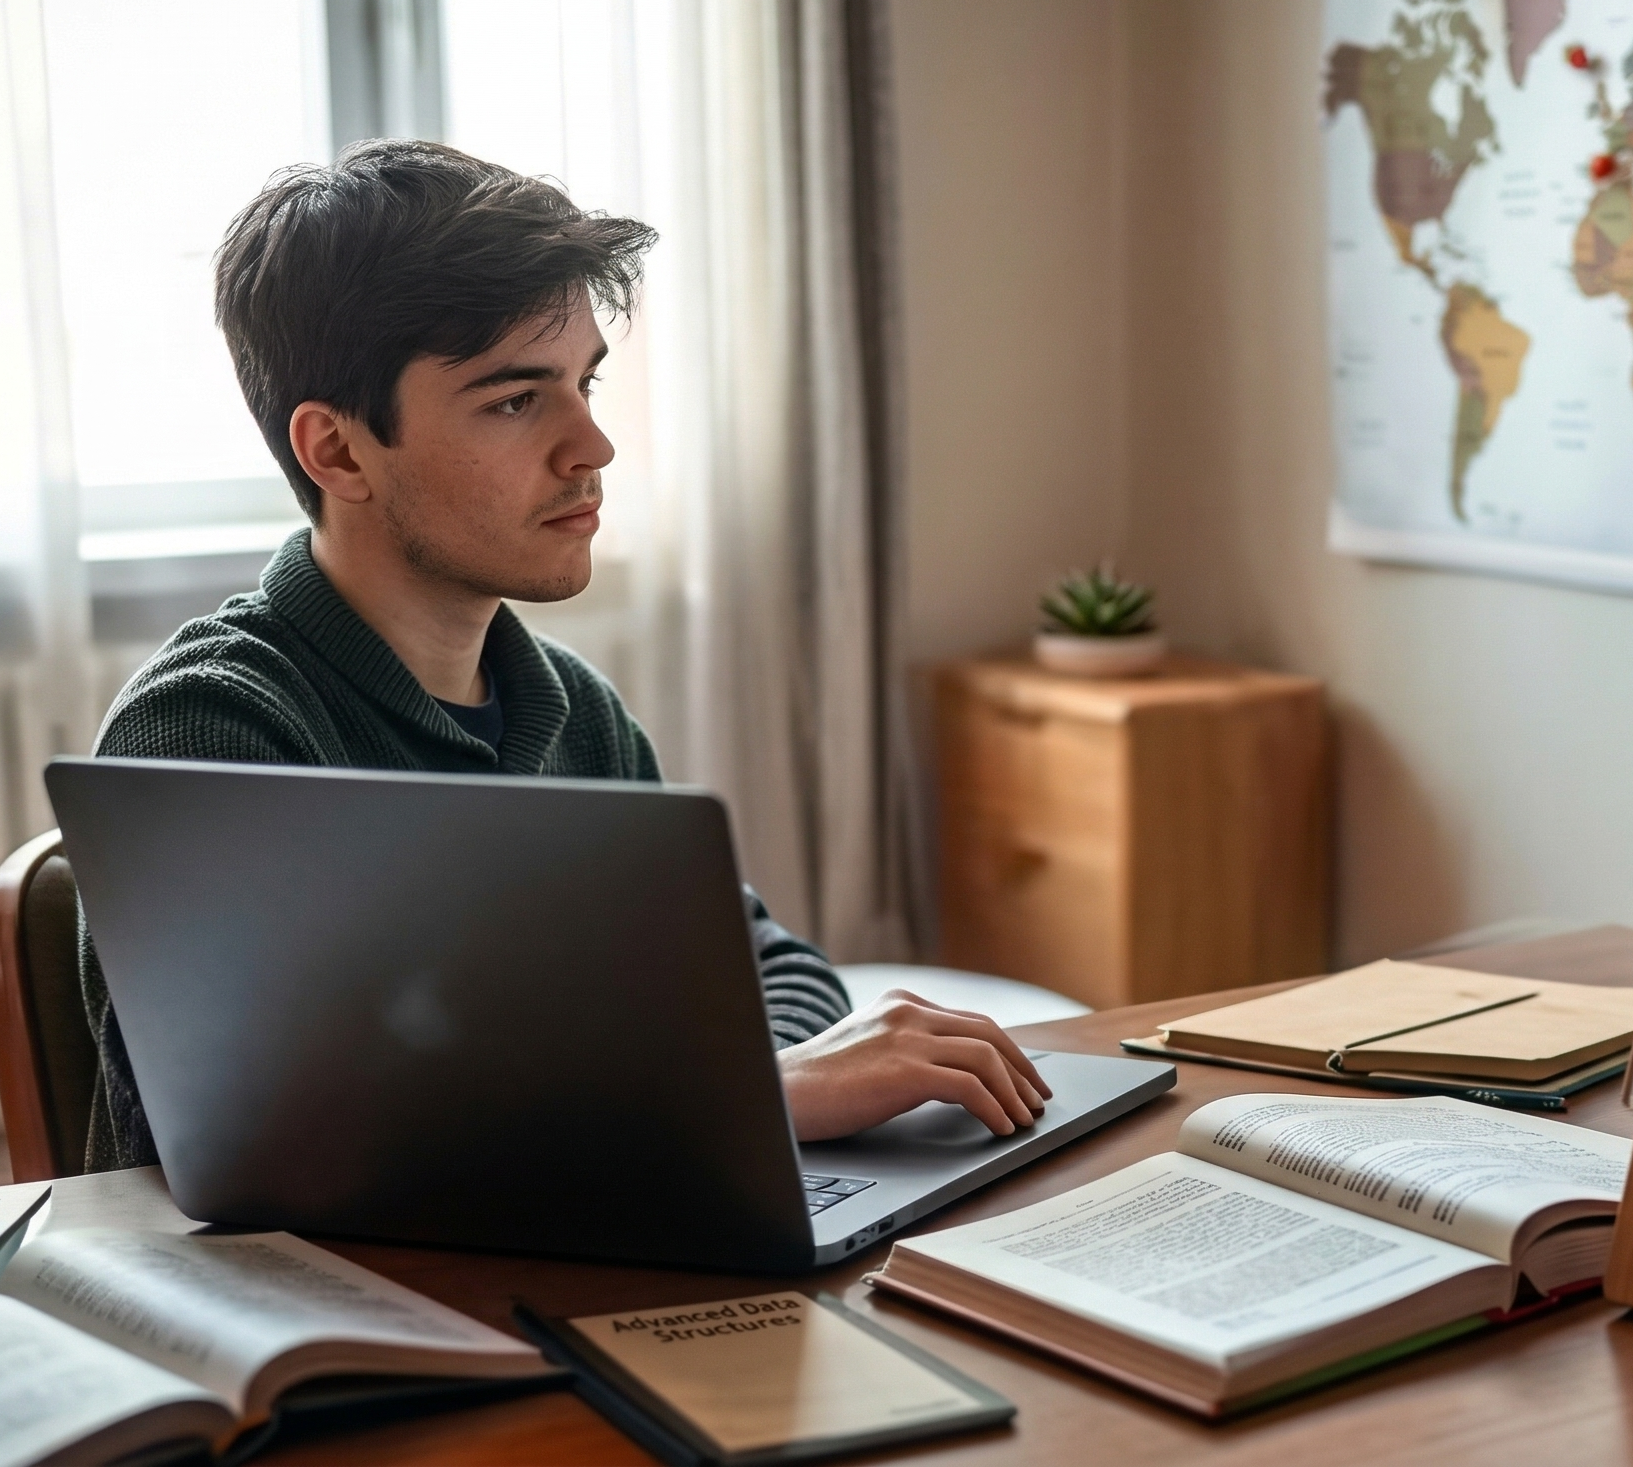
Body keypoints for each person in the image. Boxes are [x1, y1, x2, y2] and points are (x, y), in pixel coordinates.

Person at [74, 140, 1048, 1172]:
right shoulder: (208, 727)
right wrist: (753, 1093)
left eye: (585, 382)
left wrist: (727, 1090)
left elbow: (768, 969)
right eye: (515, 399)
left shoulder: (569, 713)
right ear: (339, 450)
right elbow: (278, 1132)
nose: (593, 446)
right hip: (323, 1309)